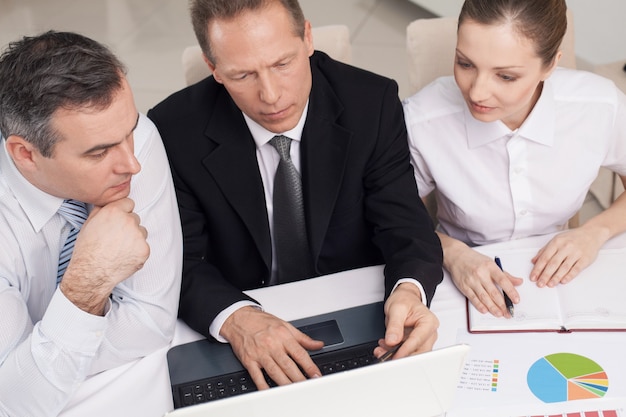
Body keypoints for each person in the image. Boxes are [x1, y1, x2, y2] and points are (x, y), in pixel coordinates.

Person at [148, 0, 443, 390]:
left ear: (307, 38)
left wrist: (409, 290)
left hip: (354, 312)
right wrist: (237, 318)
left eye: (282, 64)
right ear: (212, 67)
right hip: (245, 314)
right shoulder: (171, 130)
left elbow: (406, 227)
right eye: (242, 75)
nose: (270, 95)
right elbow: (177, 262)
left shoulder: (371, 103)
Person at [403, 0, 626, 318]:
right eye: (465, 64)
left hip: (571, 279)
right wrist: (450, 252)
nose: (477, 92)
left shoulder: (598, 106)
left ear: (550, 66)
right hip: (462, 278)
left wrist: (596, 231)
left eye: (505, 77)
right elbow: (394, 218)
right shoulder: (422, 119)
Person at [0, 31, 182, 416]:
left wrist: (39, 358)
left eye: (129, 130)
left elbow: (151, 324)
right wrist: (89, 281)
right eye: (98, 152)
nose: (131, 164)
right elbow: (16, 403)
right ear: (24, 154)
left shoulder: (136, 140)